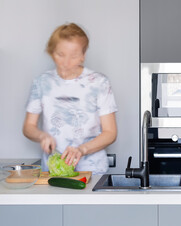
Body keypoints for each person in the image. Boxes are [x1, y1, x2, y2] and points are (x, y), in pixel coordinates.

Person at [23, 23, 117, 174]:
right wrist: (41, 136)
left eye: (73, 56)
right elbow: (28, 127)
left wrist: (82, 149)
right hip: (52, 170)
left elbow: (110, 132)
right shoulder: (41, 82)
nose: (66, 63)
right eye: (60, 54)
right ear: (51, 52)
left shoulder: (99, 83)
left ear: (82, 56)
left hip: (92, 169)